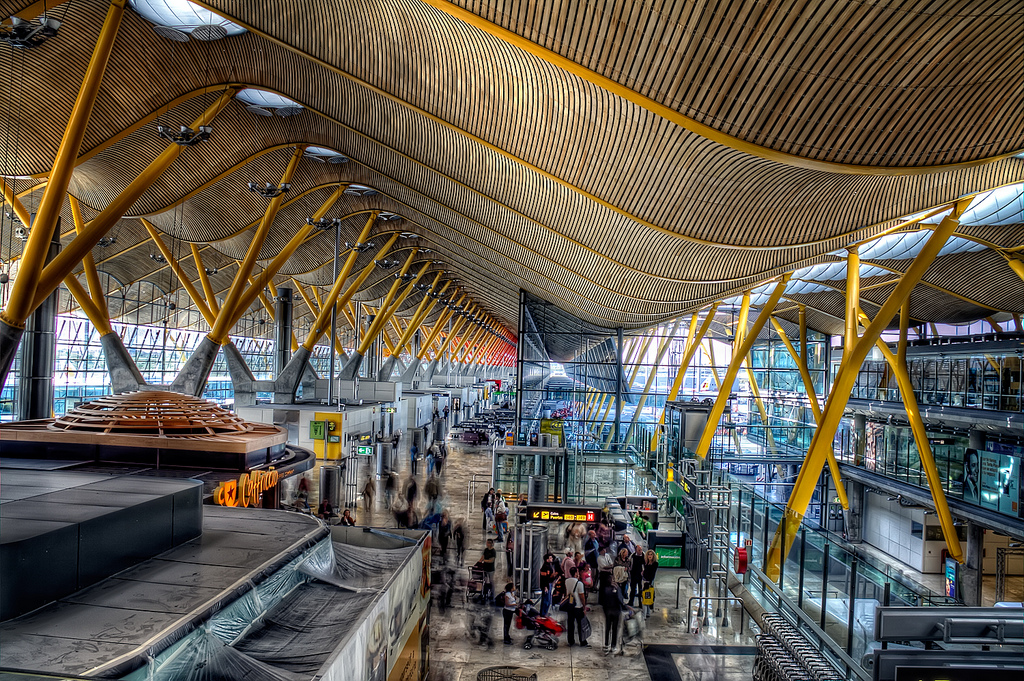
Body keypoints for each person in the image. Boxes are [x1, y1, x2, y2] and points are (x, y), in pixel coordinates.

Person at [602, 566, 630, 655]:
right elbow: (620, 599)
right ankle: (613, 646)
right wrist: (625, 606)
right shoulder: (616, 589)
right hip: (616, 611)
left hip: (608, 611)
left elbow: (603, 602)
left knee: (607, 628)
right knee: (614, 629)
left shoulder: (605, 590)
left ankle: (606, 644)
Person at [562, 566, 589, 647]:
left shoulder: (567, 581)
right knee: (580, 624)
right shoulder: (579, 583)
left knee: (570, 624)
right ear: (576, 573)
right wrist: (584, 607)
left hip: (569, 606)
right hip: (578, 606)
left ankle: (571, 640)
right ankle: (582, 640)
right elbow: (582, 596)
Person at [642, 549, 659, 617]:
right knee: (646, 597)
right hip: (644, 580)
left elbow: (652, 574)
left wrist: (649, 582)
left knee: (647, 598)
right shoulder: (645, 563)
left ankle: (645, 614)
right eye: (648, 554)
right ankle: (647, 613)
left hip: (649, 582)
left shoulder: (655, 564)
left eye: (651, 554)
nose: (650, 556)